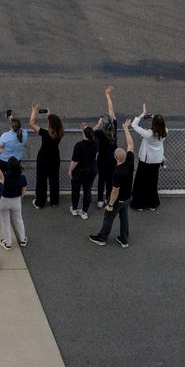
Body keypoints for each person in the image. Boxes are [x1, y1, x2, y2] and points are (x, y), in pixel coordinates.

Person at [89, 118, 136, 250]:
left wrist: (109, 205)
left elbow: (115, 191)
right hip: (127, 197)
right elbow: (131, 145)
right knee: (124, 218)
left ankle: (102, 238)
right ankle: (124, 239)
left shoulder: (117, 172)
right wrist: (126, 129)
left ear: (116, 158)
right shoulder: (130, 162)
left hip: (118, 199)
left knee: (108, 217)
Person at [130, 105, 168, 211]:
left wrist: (143, 114)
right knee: (152, 182)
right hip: (157, 160)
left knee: (140, 182)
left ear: (153, 123)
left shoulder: (148, 134)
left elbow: (134, 125)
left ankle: (139, 205)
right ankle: (152, 204)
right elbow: (160, 123)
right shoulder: (165, 131)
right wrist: (154, 117)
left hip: (146, 161)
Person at [31, 106, 64, 210]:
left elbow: (31, 123)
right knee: (54, 180)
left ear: (50, 124)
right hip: (55, 158)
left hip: (43, 159)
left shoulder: (45, 133)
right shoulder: (60, 133)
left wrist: (34, 110)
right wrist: (49, 115)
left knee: (41, 180)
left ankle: (40, 202)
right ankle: (54, 201)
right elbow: (55, 124)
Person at [93, 86, 119, 205]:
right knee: (110, 180)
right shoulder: (114, 129)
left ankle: (99, 199)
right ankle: (109, 198)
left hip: (102, 159)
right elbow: (111, 111)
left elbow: (89, 131)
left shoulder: (99, 132)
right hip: (113, 159)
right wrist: (108, 96)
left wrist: (98, 124)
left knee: (101, 180)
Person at [0, 154, 30, 248]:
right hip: (16, 201)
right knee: (19, 220)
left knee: (5, 222)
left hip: (4, 201)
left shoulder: (5, 177)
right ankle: (23, 239)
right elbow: (23, 192)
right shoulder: (22, 177)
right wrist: (19, 199)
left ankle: (7, 243)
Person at [68, 123, 98, 219]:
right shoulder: (96, 142)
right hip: (91, 170)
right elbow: (91, 132)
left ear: (84, 134)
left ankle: (75, 209)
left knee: (76, 190)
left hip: (79, 172)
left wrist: (70, 170)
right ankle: (84, 212)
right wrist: (97, 125)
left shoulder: (79, 145)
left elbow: (75, 161)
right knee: (87, 191)